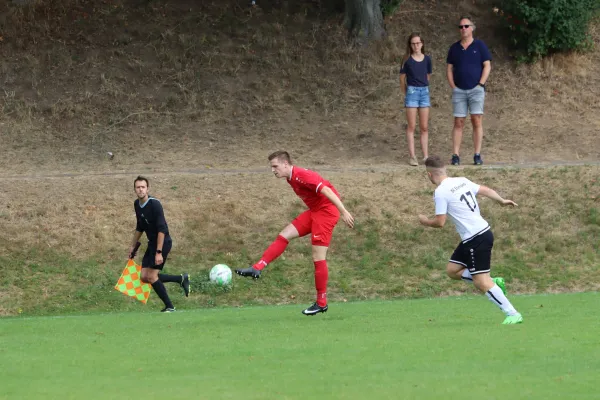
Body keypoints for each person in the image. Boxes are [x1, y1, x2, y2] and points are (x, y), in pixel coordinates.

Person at [235, 151, 355, 316]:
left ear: (286, 164)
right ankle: (257, 268)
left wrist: (343, 211)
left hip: (327, 212)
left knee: (318, 257)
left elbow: (326, 190)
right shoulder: (290, 177)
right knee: (284, 235)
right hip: (316, 211)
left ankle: (321, 303)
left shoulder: (302, 175)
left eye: (275, 166)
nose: (273, 170)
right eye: (271, 167)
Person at [417, 156, 523, 324]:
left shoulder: (440, 192)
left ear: (429, 175)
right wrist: (501, 201)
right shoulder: (461, 180)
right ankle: (492, 282)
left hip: (477, 237)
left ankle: (512, 313)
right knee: (452, 271)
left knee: (481, 282)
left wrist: (425, 221)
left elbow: (440, 222)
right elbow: (486, 190)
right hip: (476, 235)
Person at [128, 176, 190, 312]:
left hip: (163, 243)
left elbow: (162, 229)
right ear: (134, 189)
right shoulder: (136, 204)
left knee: (151, 276)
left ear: (147, 189)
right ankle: (180, 279)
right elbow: (140, 226)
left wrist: (159, 252)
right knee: (144, 276)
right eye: (138, 187)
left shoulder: (154, 204)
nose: (140, 189)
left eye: (143, 187)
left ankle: (170, 306)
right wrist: (133, 245)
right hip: (152, 243)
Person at [446, 16, 492, 166]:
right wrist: (453, 86)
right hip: (459, 90)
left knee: (476, 121)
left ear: (472, 28)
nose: (463, 29)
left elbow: (487, 65)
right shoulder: (454, 48)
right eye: (461, 27)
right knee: (459, 122)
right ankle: (455, 155)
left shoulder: (480, 46)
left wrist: (480, 84)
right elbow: (449, 69)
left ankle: (477, 154)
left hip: (476, 90)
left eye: (466, 26)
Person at [399, 32, 432, 166]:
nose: (416, 46)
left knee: (424, 127)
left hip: (424, 92)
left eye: (418, 43)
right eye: (413, 43)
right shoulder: (407, 60)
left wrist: (423, 87)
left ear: (422, 44)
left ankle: (425, 156)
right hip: (412, 92)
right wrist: (406, 92)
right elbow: (402, 79)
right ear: (410, 45)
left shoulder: (427, 59)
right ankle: (413, 156)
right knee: (411, 126)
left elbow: (428, 75)